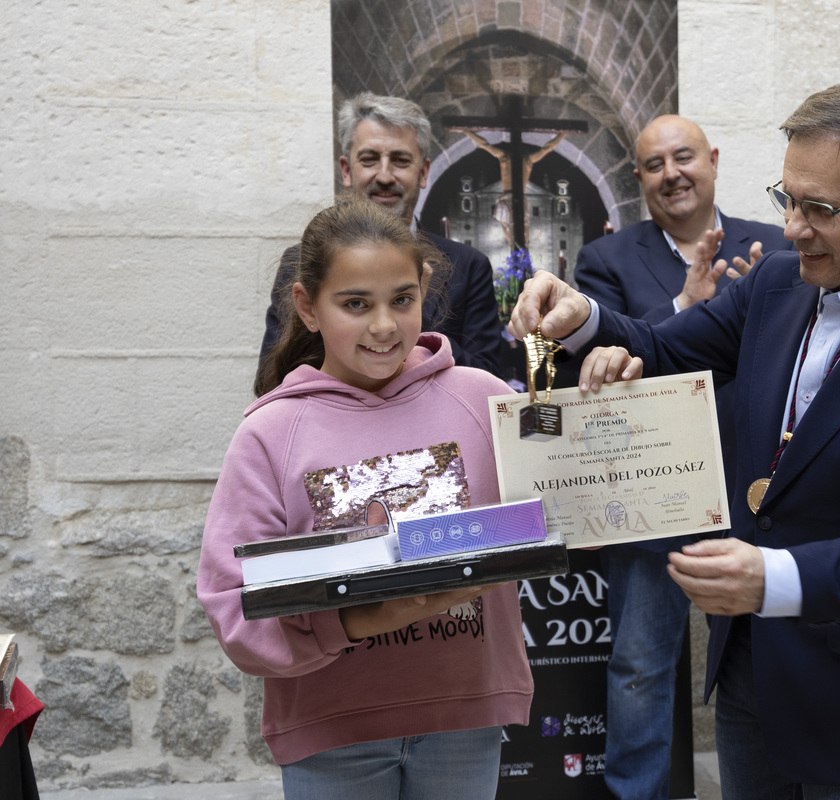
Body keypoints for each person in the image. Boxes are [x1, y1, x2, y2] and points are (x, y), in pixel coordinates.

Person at [509, 83, 840, 798]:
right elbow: (661, 346)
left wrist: (773, 579)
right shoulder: (776, 283)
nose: (796, 229)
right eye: (788, 200)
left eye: (822, 209)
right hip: (747, 670)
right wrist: (582, 314)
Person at [200, 196, 533, 799]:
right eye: (356, 304)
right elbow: (232, 603)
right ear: (307, 307)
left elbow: (561, 499)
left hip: (464, 719)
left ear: (424, 289)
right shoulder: (270, 434)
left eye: (401, 300)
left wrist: (604, 391)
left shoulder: (481, 400)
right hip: (333, 735)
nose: (383, 325)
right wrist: (359, 619)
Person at [572, 114, 788, 800]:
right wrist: (685, 305)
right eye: (654, 164)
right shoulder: (605, 260)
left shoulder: (780, 248)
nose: (672, 173)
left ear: (714, 159)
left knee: (769, 657)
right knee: (640, 664)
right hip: (653, 493)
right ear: (638, 180)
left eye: (684, 156)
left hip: (760, 492)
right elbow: (606, 368)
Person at [255, 93, 505, 392]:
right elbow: (273, 380)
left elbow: (487, 379)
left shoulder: (468, 265)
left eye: (400, 160)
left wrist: (408, 316)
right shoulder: (301, 262)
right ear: (347, 170)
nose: (384, 176)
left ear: (424, 171)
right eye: (370, 159)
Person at [461, 129, 568, 249]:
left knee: (512, 230)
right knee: (523, 230)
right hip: (519, 199)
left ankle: (517, 254)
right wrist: (563, 134)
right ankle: (521, 255)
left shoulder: (504, 157)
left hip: (507, 198)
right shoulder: (528, 160)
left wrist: (467, 132)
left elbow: (484, 144)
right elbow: (549, 147)